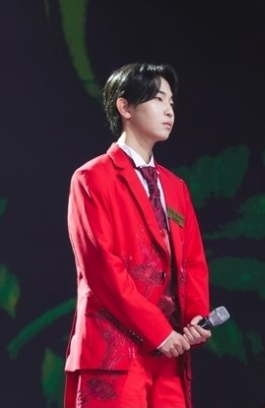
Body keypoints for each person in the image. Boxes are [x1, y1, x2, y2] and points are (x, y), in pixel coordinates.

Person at [64, 63, 212, 408]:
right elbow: (103, 269)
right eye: (158, 99)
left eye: (172, 102)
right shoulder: (91, 178)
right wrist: (158, 331)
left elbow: (193, 262)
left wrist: (195, 317)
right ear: (125, 107)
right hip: (115, 352)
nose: (169, 110)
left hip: (170, 355)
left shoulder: (175, 187)